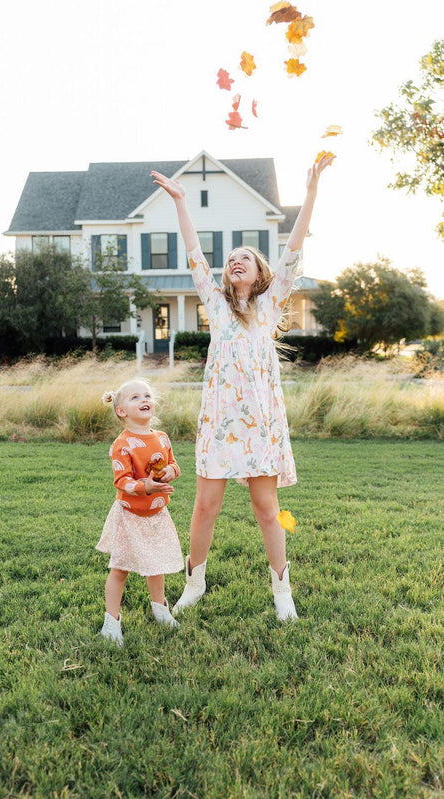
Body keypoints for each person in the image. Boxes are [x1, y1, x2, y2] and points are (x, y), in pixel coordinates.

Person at [151, 154, 333, 621]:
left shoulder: (271, 306)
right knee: (205, 505)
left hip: (261, 426)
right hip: (219, 422)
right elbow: (194, 251)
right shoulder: (214, 304)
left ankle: (281, 589)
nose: (235, 262)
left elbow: (293, 247)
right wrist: (180, 202)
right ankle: (195, 580)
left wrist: (310, 193)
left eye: (244, 259)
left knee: (265, 507)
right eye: (231, 259)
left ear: (260, 274)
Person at [96, 378, 184, 645]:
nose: (144, 400)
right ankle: (111, 621)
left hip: (156, 515)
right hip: (130, 516)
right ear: (121, 410)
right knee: (120, 568)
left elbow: (173, 465)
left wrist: (171, 471)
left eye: (147, 395)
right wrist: (145, 486)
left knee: (156, 565)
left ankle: (160, 609)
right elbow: (121, 480)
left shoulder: (161, 438)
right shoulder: (122, 444)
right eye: (135, 398)